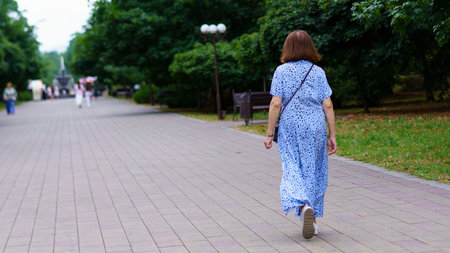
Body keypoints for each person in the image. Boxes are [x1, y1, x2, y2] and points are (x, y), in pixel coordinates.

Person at [264, 30, 337, 239]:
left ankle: (303, 205)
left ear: (287, 48)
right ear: (310, 47)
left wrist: (270, 134)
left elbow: (276, 102)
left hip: (291, 128)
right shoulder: (318, 72)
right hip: (315, 128)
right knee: (314, 171)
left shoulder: (281, 71)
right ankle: (312, 221)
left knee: (292, 166)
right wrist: (332, 135)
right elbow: (328, 104)